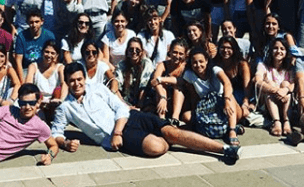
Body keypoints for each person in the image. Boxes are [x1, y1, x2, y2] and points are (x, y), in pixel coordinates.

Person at [52, 62, 240, 161]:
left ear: (84, 78)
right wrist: (65, 142)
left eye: (79, 79)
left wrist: (118, 131)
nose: (77, 84)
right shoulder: (65, 107)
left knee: (172, 132)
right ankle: (168, 138)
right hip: (115, 136)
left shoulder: (98, 88)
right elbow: (56, 133)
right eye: (72, 81)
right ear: (67, 82)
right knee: (158, 147)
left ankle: (224, 149)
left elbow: (120, 107)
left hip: (128, 119)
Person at [172, 47, 241, 145]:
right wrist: (160, 80)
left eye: (201, 61)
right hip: (207, 107)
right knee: (186, 117)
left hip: (224, 104)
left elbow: (227, 83)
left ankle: (232, 130)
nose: (198, 65)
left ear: (207, 61)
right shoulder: (189, 74)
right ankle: (222, 129)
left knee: (230, 97)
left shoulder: (215, 70)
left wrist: (226, 100)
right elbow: (192, 95)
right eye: (195, 62)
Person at [255, 39, 295, 136]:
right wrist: (276, 90)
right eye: (275, 48)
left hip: (286, 102)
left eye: (282, 49)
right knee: (270, 84)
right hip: (268, 103)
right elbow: (258, 80)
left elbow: (294, 83)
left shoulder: (289, 68)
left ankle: (286, 121)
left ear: (286, 52)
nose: (279, 51)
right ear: (271, 50)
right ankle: (276, 122)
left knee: (286, 84)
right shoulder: (263, 66)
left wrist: (285, 90)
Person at [26, 40, 66, 121]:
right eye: (47, 52)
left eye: (52, 53)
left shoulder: (60, 67)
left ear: (57, 55)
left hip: (55, 101)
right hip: (38, 101)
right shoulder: (33, 66)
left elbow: (64, 84)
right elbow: (28, 85)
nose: (49, 55)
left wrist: (61, 100)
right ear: (42, 52)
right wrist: (37, 101)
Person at [148, 38, 188, 119]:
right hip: (164, 99)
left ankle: (175, 118)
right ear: (170, 52)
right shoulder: (163, 65)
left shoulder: (185, 67)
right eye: (175, 52)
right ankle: (161, 118)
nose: (177, 56)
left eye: (181, 54)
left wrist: (162, 79)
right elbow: (154, 81)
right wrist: (163, 97)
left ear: (185, 55)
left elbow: (182, 81)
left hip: (181, 102)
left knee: (177, 87)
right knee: (161, 86)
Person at [214, 36, 252, 122]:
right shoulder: (215, 62)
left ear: (234, 49)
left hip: (239, 95)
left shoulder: (242, 64)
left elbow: (247, 88)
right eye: (222, 47)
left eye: (229, 48)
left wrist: (245, 103)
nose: (225, 51)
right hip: (221, 94)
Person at [14, 9, 55, 83]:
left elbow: (54, 57)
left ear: (42, 22)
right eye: (31, 22)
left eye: (37, 22)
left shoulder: (49, 35)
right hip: (26, 69)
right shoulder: (21, 36)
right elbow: (18, 60)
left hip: (43, 68)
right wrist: (22, 81)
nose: (34, 25)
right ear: (27, 23)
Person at [114, 37, 154, 107]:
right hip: (125, 102)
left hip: (143, 102)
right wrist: (125, 106)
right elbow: (117, 85)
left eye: (137, 50)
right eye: (131, 50)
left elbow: (144, 86)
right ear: (127, 52)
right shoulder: (122, 65)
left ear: (141, 52)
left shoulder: (146, 63)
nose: (134, 52)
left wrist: (139, 106)